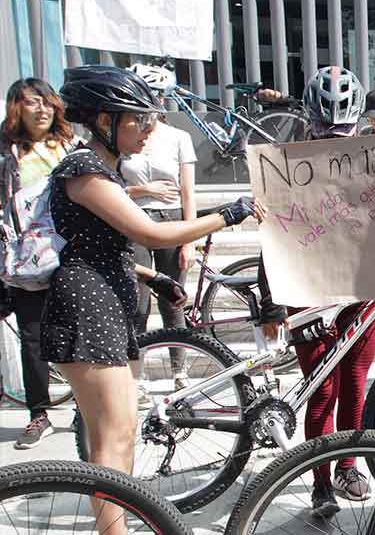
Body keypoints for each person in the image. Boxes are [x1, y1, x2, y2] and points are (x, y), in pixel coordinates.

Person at [49, 65, 260, 531]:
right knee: (111, 437)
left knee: (120, 434)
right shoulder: (83, 169)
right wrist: (228, 214)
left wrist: (149, 276)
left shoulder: (105, 169)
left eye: (149, 120)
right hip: (88, 308)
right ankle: (113, 531)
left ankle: (115, 526)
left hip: (107, 300)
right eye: (137, 120)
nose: (148, 130)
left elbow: (100, 245)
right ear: (104, 121)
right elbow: (150, 230)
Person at [255, 66, 375, 518]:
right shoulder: (287, 167)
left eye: (344, 129)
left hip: (362, 293)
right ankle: (320, 482)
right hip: (309, 294)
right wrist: (270, 303)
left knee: (354, 386)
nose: (335, 138)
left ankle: (349, 466)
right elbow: (271, 236)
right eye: (326, 129)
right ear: (309, 122)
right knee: (322, 389)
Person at [1, 78, 78, 449]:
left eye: (47, 102)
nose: (42, 109)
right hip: (24, 261)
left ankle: (85, 405)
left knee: (78, 334)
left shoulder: (68, 146)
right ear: (17, 107)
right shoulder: (6, 154)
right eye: (32, 103)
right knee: (32, 339)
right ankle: (39, 413)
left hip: (70, 254)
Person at [123, 63, 197, 393]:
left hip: (172, 219)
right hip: (133, 219)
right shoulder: (124, 139)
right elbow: (110, 186)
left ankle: (179, 371)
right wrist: (143, 190)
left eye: (161, 96)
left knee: (173, 300)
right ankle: (135, 376)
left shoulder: (178, 137)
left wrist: (190, 239)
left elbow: (187, 191)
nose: (156, 102)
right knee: (137, 302)